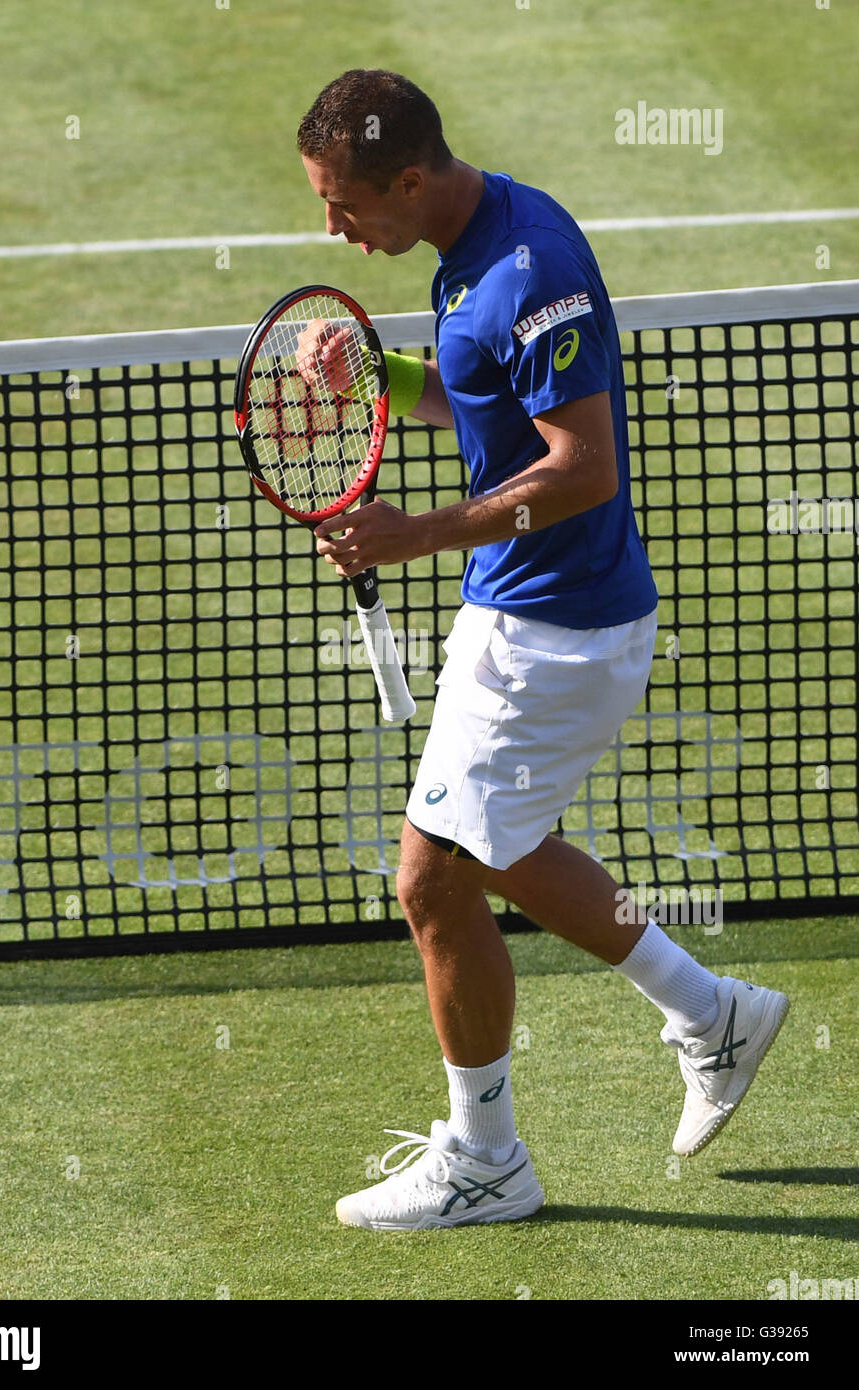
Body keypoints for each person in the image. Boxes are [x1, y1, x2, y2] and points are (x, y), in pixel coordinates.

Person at [296, 69, 789, 1232]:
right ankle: (710, 1009)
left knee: (430, 880)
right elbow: (479, 403)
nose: (333, 228)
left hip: (555, 636)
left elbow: (582, 470)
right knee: (500, 849)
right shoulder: (471, 244)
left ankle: (486, 1160)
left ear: (408, 179)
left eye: (344, 204)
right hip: (521, 614)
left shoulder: (529, 272)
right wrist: (377, 376)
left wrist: (416, 532)